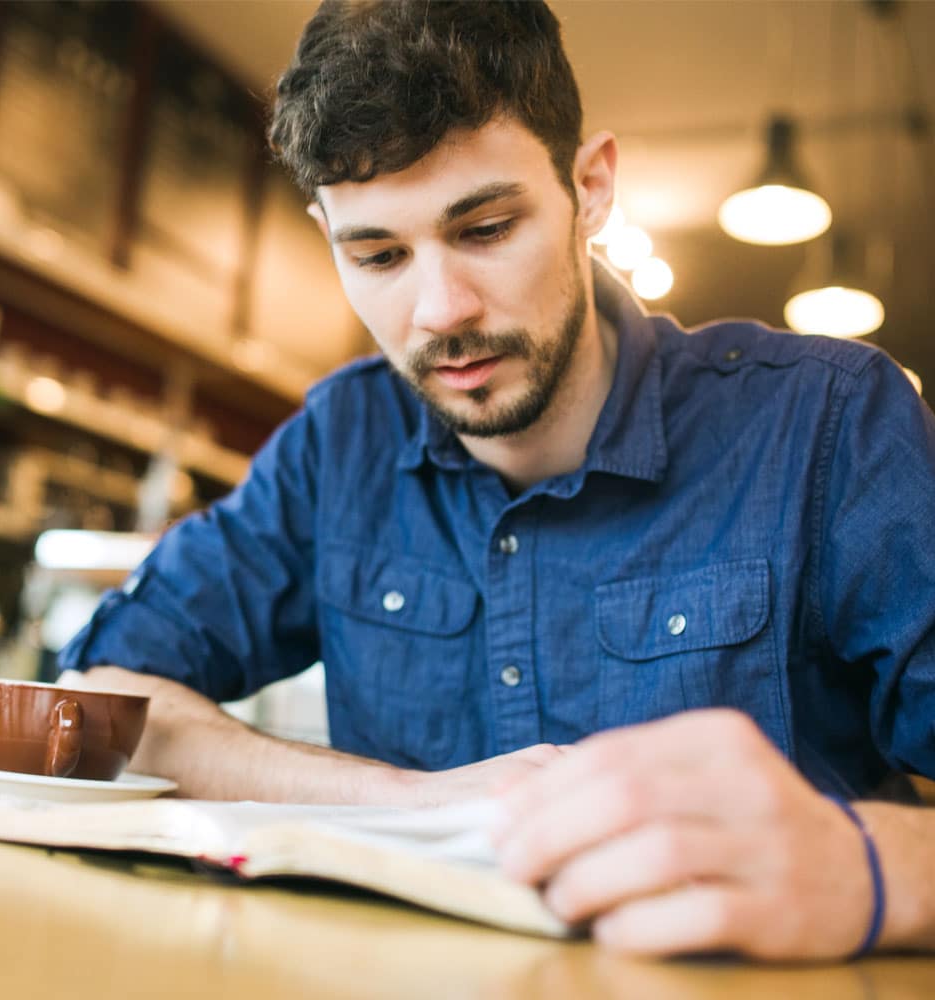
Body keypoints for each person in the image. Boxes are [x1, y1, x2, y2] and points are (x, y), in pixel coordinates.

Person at [59, 0, 935, 960]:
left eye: (484, 228)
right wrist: (412, 801)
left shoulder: (829, 424)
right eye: (379, 255)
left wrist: (867, 866)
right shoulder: (340, 443)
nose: (440, 312)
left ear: (590, 187)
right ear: (326, 235)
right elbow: (107, 701)